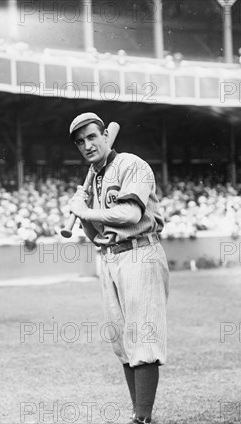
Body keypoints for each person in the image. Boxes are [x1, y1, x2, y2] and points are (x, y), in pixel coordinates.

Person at [68, 113, 169, 424]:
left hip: (140, 252)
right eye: (81, 142)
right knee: (122, 341)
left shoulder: (131, 165)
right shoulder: (95, 177)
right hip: (110, 256)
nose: (87, 145)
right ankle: (139, 415)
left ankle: (142, 417)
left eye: (92, 137)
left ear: (105, 136)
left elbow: (129, 213)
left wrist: (88, 209)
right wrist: (83, 213)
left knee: (143, 337)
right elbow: (95, 234)